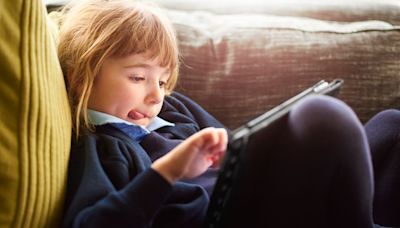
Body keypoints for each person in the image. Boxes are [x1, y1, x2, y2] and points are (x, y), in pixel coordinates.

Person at [58, 0, 375, 227]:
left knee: (391, 127)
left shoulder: (173, 108)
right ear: (80, 76)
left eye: (163, 80)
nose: (156, 95)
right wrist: (169, 171)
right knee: (322, 116)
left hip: (255, 195)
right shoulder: (102, 147)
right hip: (227, 217)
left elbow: (237, 154)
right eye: (138, 78)